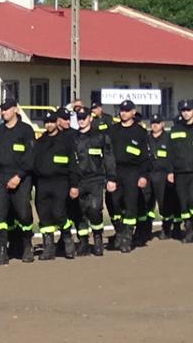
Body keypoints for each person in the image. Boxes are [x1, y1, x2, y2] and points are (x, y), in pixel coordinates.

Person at [0, 99, 36, 263]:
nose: (3, 112)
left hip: (21, 176)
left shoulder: (26, 130)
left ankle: (26, 245)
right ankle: (2, 250)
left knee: (23, 213)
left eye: (6, 109)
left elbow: (30, 156)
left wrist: (19, 176)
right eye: (2, 109)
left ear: (15, 110)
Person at [29, 110, 80, 261]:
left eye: (51, 122)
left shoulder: (66, 141)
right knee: (44, 216)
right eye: (47, 122)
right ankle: (49, 248)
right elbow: (33, 164)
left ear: (57, 122)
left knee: (59, 213)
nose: (49, 125)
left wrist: (74, 185)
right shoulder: (39, 142)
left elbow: (73, 164)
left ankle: (67, 239)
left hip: (60, 182)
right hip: (42, 183)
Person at [105, 101, 150, 253]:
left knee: (131, 205)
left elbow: (145, 157)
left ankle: (127, 238)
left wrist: (143, 176)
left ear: (133, 112)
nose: (123, 113)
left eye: (126, 110)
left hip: (133, 172)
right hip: (115, 171)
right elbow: (106, 153)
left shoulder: (140, 132)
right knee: (114, 203)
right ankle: (119, 231)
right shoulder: (112, 130)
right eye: (121, 110)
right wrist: (108, 175)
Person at [71, 109, 116, 257]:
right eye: (79, 118)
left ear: (90, 118)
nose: (81, 120)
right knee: (79, 212)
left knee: (95, 209)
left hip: (96, 179)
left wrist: (111, 178)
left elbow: (109, 157)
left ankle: (97, 237)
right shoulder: (73, 138)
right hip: (79, 180)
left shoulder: (100, 136)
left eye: (84, 118)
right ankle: (83, 241)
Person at [140, 116, 172, 246]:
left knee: (164, 203)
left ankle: (166, 228)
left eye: (157, 123)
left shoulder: (168, 138)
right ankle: (146, 229)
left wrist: (171, 172)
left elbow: (173, 157)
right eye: (153, 123)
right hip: (149, 174)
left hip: (162, 174)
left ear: (162, 124)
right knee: (147, 202)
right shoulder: (146, 139)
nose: (154, 125)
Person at [170, 101, 193, 245]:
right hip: (180, 172)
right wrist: (170, 170)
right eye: (183, 110)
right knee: (183, 203)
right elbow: (170, 152)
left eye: (188, 110)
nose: (185, 113)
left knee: (192, 200)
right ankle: (189, 230)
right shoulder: (175, 129)